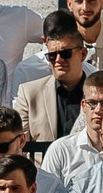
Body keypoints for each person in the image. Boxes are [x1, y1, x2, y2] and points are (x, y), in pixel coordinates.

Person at [12, 11, 88, 149]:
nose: (58, 60)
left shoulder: (100, 94)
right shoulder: (28, 94)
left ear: (82, 54)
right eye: (52, 55)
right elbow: (18, 148)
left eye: (66, 53)